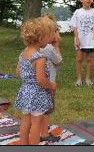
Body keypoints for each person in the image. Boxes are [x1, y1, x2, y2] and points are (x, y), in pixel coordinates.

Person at [14, 17, 57, 145]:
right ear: (40, 38)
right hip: (37, 93)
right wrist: (51, 85)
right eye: (49, 36)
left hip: (26, 91)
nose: (50, 38)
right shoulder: (39, 58)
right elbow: (41, 79)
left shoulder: (23, 53)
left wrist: (28, 80)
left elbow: (18, 73)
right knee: (36, 123)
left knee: (26, 121)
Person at [40, 13, 63, 142]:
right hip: (49, 83)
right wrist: (56, 46)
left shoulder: (30, 48)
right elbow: (59, 61)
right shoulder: (49, 49)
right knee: (46, 110)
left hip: (34, 84)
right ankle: (43, 133)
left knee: (37, 110)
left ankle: (37, 129)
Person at [70, 0, 94, 87]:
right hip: (80, 39)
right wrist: (77, 38)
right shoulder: (78, 12)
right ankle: (79, 78)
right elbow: (74, 26)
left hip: (90, 39)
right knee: (79, 59)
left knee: (89, 59)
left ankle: (88, 78)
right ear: (81, 0)